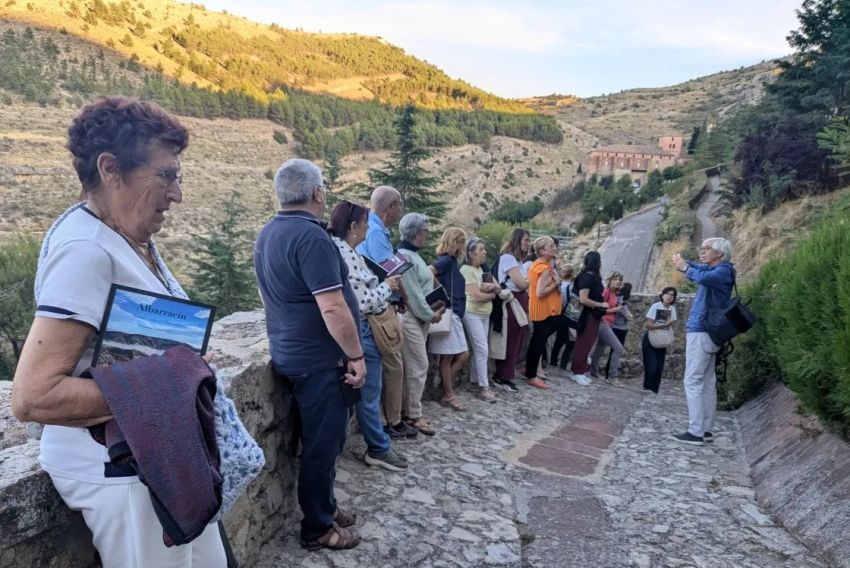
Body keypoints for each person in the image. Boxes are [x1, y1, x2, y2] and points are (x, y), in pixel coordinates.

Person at [11, 97, 228, 566]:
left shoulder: (119, 236)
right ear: (110, 168)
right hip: (118, 473)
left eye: (179, 177)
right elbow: (33, 397)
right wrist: (175, 380)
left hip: (147, 461)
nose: (177, 194)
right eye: (166, 175)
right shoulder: (86, 249)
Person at [254, 158, 364, 550]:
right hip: (320, 361)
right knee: (323, 446)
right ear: (318, 193)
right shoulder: (312, 237)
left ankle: (326, 506)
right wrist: (356, 355)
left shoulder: (268, 233)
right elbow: (333, 307)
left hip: (291, 353)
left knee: (323, 442)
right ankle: (317, 528)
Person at [329, 200, 409, 471]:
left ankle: (376, 443)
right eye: (364, 223)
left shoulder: (345, 251)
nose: (367, 228)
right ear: (353, 226)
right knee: (369, 391)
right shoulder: (345, 254)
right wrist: (387, 287)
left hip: (361, 327)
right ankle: (378, 448)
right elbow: (361, 302)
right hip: (364, 327)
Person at [356, 186, 417, 439]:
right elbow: (389, 272)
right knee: (394, 364)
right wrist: (404, 297)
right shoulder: (377, 233)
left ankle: (383, 421)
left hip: (371, 304)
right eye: (398, 205)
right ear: (390, 207)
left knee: (385, 366)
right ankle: (390, 421)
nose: (399, 210)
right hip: (378, 308)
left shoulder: (368, 227)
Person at [672, 238, 735, 445]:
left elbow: (701, 276)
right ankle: (706, 429)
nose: (703, 251)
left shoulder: (722, 272)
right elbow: (700, 268)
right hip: (709, 332)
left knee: (693, 380)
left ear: (720, 254)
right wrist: (685, 263)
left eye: (708, 249)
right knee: (708, 381)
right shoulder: (719, 270)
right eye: (703, 248)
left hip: (701, 330)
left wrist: (685, 269)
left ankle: (696, 431)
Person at [397, 213, 446, 436]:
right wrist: (430, 314)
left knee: (415, 366)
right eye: (425, 231)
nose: (427, 235)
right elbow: (414, 295)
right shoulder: (406, 258)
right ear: (416, 233)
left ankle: (409, 411)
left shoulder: (412, 256)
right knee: (418, 365)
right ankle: (413, 415)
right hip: (411, 319)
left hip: (418, 318)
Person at [429, 227, 471, 411]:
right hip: (449, 312)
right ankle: (448, 394)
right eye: (462, 243)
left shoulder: (450, 262)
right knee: (449, 357)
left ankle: (445, 390)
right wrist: (442, 292)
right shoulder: (446, 261)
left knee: (460, 355)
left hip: (454, 314)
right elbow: (428, 272)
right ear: (457, 243)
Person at [460, 237, 501, 403]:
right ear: (471, 253)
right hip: (472, 313)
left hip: (485, 314)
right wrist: (492, 293)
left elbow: (498, 287)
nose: (484, 252)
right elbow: (477, 296)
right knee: (482, 349)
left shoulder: (483, 270)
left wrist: (491, 290)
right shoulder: (466, 270)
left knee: (480, 349)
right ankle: (484, 387)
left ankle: (475, 382)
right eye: (480, 249)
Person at [491, 228, 531, 393]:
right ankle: (502, 375)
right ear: (518, 240)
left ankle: (507, 374)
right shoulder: (508, 258)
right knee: (511, 338)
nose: (529, 243)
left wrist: (526, 281)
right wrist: (527, 281)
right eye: (526, 240)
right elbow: (521, 283)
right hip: (511, 301)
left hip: (519, 301)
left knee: (517, 339)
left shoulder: (518, 261)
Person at [525, 237, 562, 389]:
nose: (554, 248)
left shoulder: (541, 266)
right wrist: (556, 285)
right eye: (550, 246)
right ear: (542, 251)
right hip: (544, 310)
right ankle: (531, 375)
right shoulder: (543, 268)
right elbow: (540, 292)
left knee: (537, 342)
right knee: (538, 343)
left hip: (543, 310)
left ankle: (529, 370)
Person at [570, 251, 611, 386]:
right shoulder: (587, 278)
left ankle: (580, 371)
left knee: (588, 342)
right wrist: (601, 304)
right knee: (584, 343)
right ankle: (577, 372)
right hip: (586, 315)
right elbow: (583, 299)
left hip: (592, 315)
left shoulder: (590, 277)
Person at [589, 272, 627, 380]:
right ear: (610, 280)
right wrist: (616, 309)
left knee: (599, 350)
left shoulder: (615, 294)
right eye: (615, 279)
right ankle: (612, 376)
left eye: (620, 280)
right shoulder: (606, 292)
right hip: (603, 323)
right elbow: (600, 309)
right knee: (618, 348)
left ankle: (594, 372)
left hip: (609, 324)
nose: (618, 282)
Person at [642, 286, 678, 394]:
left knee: (659, 368)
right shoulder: (655, 306)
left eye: (672, 295)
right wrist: (665, 324)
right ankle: (647, 388)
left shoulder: (672, 309)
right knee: (651, 366)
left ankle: (654, 390)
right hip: (651, 339)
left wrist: (671, 339)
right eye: (667, 294)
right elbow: (649, 325)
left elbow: (672, 326)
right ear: (662, 295)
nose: (669, 297)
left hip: (662, 341)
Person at [550, 263, 576, 370]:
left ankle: (553, 360)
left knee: (557, 339)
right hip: (567, 315)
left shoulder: (558, 283)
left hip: (557, 313)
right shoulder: (572, 286)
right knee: (566, 340)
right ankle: (562, 364)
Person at [606, 281, 633, 378]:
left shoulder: (615, 297)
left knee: (611, 350)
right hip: (620, 328)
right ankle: (611, 374)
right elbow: (628, 316)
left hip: (614, 326)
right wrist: (630, 316)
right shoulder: (622, 301)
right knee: (617, 350)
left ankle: (608, 372)